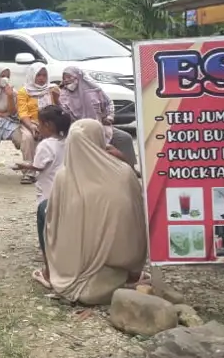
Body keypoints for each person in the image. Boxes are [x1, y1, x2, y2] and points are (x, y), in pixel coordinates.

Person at [36, 118, 148, 304]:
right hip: (127, 261)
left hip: (77, 262)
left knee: (43, 210)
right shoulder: (124, 172)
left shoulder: (65, 177)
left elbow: (54, 221)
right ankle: (132, 276)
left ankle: (49, 272)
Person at [12, 105, 70, 253]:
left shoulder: (45, 145)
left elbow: (38, 166)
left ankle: (48, 249)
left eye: (40, 124)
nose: (38, 127)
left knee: (46, 217)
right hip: (66, 186)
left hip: (48, 188)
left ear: (48, 125)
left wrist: (23, 165)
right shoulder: (68, 140)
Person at [59, 66, 137, 167]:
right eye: (64, 78)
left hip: (101, 126)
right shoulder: (64, 95)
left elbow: (108, 103)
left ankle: (130, 167)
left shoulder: (94, 90)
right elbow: (67, 116)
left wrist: (109, 117)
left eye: (69, 77)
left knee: (125, 138)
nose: (67, 80)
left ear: (78, 76)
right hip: (80, 130)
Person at [15, 63, 59, 184]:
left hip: (51, 122)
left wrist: (56, 97)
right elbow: (23, 113)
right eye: (38, 75)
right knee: (28, 138)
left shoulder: (52, 89)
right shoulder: (24, 91)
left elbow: (59, 109)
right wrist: (32, 126)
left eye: (44, 75)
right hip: (30, 122)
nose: (41, 78)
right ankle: (29, 172)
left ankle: (52, 170)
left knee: (58, 139)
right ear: (32, 75)